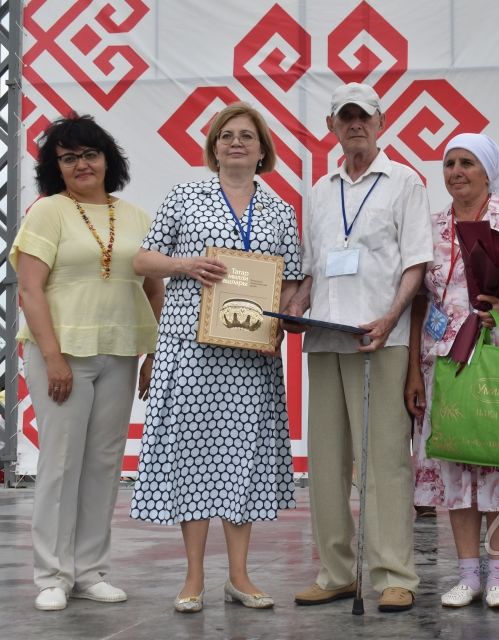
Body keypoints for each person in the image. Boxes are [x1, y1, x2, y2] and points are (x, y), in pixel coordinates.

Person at [129, 102, 303, 613]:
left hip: (250, 356)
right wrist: (186, 264)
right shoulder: (185, 196)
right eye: (226, 135)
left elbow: (290, 279)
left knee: (239, 461)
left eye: (247, 136)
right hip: (189, 348)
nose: (236, 143)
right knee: (193, 457)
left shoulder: (279, 210)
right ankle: (192, 577)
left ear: (262, 149)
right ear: (213, 146)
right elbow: (142, 259)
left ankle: (240, 575)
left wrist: (282, 321)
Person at [284, 82, 432, 613]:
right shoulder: (319, 190)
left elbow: (416, 264)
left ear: (381, 122)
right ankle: (335, 572)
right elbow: (312, 268)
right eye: (344, 118)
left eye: (363, 117)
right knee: (325, 463)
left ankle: (394, 574)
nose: (354, 126)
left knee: (385, 461)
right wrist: (295, 305)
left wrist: (390, 318)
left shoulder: (404, 183)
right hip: (325, 340)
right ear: (331, 127)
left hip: (379, 341)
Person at [11, 114, 164, 611]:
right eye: (69, 157)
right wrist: (53, 358)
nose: (82, 164)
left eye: (90, 154)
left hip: (120, 354)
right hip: (60, 355)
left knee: (102, 464)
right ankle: (52, 575)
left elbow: (153, 288)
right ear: (57, 167)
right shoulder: (48, 212)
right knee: (59, 463)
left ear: (107, 160)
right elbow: (30, 290)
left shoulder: (137, 217)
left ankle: (91, 570)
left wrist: (152, 356)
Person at [404, 133, 499, 609]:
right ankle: (467, 576)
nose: (456, 171)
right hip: (443, 361)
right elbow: (418, 302)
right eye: (449, 163)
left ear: (488, 171)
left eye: (467, 163)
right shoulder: (428, 226)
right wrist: (413, 370)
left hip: (498, 351)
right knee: (453, 462)